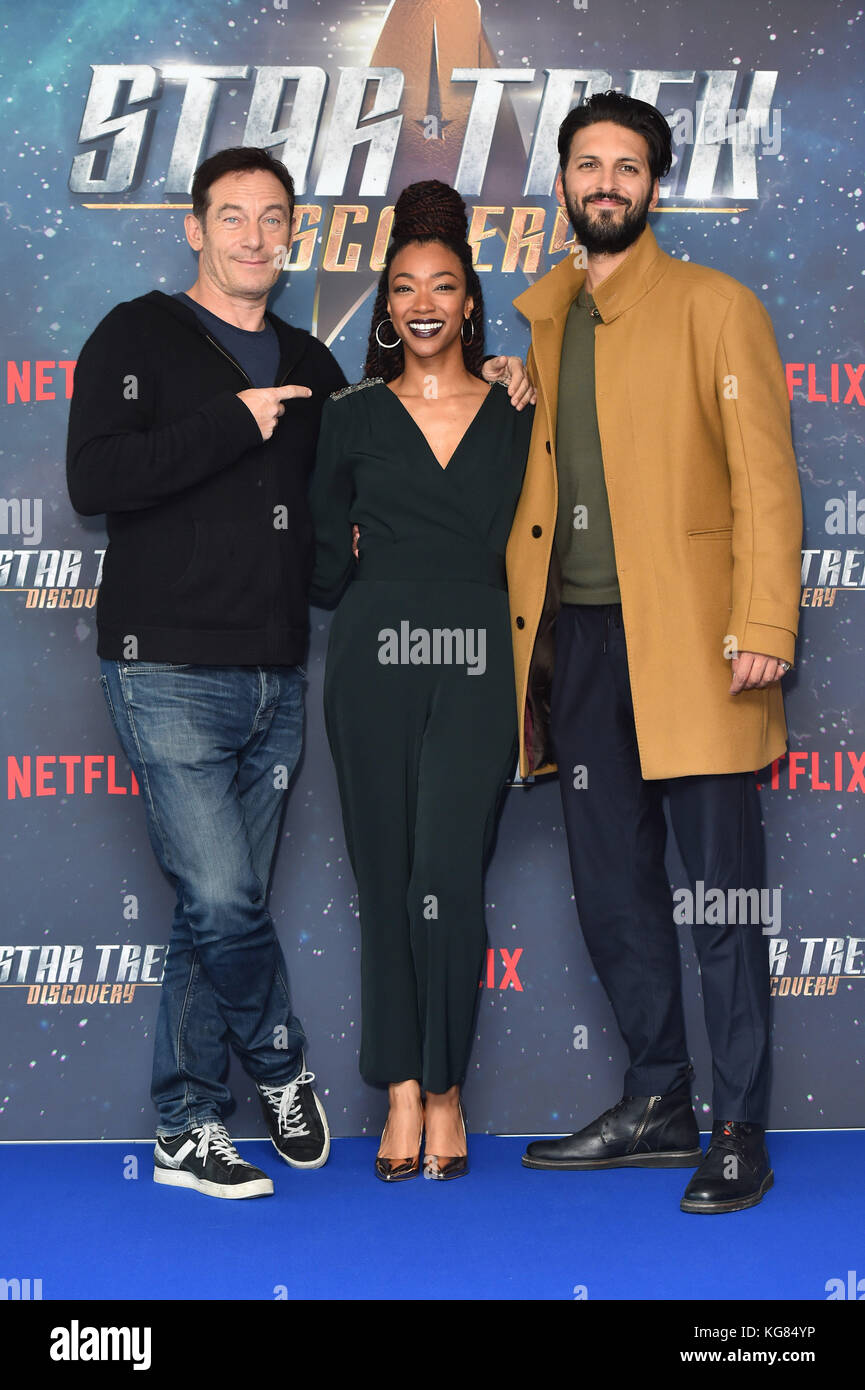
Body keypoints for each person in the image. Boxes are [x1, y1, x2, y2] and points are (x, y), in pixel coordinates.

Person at [67, 147, 529, 1199]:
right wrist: (230, 422)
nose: (251, 236)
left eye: (271, 218)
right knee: (234, 894)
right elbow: (99, 479)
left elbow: (343, 533)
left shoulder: (333, 377)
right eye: (231, 217)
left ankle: (209, 1113)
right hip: (182, 668)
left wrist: (518, 368)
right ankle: (298, 1071)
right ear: (195, 226)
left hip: (291, 676)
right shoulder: (139, 335)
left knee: (243, 901)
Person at [508, 93, 802, 1213]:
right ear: (565, 188)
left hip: (694, 641)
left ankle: (739, 1128)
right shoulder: (545, 323)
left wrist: (766, 623)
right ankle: (657, 1101)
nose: (605, 184)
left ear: (654, 188)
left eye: (626, 167)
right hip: (578, 648)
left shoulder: (716, 306)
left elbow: (767, 480)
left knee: (720, 900)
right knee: (614, 890)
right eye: (587, 165)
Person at [309, 180, 535, 1181]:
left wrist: (527, 376)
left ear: (469, 301)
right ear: (388, 307)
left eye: (443, 283)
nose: (424, 300)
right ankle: (398, 1090)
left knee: (447, 878)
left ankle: (448, 1090)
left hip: (480, 658)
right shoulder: (350, 416)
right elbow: (319, 566)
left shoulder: (516, 408)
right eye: (404, 286)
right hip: (372, 661)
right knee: (387, 880)